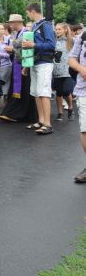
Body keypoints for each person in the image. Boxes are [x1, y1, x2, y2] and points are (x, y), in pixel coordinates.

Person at [23, 3, 57, 135]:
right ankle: (41, 120)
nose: (27, 15)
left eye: (28, 12)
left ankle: (48, 124)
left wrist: (34, 44)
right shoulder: (35, 26)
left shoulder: (45, 25)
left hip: (44, 62)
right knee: (36, 92)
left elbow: (51, 45)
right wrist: (27, 64)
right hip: (35, 62)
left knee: (43, 92)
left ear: (32, 11)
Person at [0, 14, 38, 123]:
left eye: (11, 23)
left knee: (25, 90)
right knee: (17, 90)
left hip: (25, 65)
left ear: (17, 22)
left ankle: (21, 113)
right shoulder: (16, 34)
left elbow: (29, 52)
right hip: (16, 64)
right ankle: (14, 112)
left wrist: (13, 50)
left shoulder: (27, 34)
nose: (10, 25)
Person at [68, 31, 86, 183]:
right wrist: (82, 69)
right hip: (84, 89)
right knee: (85, 130)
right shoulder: (83, 36)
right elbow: (71, 59)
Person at [53, 23, 75, 121]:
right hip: (56, 70)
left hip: (68, 71)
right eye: (56, 29)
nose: (57, 31)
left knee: (66, 91)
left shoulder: (71, 41)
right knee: (59, 92)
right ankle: (60, 113)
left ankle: (70, 108)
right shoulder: (53, 41)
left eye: (59, 29)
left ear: (65, 30)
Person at [0, 23, 13, 107]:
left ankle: (5, 107)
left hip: (6, 67)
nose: (1, 31)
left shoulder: (9, 41)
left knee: (5, 88)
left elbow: (10, 54)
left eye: (2, 29)